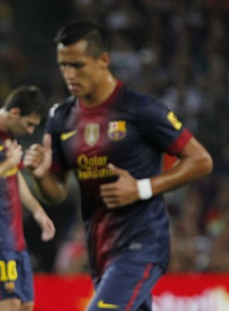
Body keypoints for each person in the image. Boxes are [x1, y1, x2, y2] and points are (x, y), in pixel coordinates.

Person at [24, 20, 213, 311]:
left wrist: (142, 187)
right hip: (99, 249)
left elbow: (201, 160)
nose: (69, 75)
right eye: (63, 65)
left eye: (77, 65)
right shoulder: (60, 117)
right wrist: (40, 176)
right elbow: (56, 193)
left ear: (104, 60)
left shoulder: (141, 109)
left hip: (141, 246)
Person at [0, 85, 56, 311]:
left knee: (26, 304)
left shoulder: (10, 138)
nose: (29, 131)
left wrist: (38, 211)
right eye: (29, 124)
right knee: (9, 303)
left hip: (15, 237)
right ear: (15, 112)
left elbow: (13, 177)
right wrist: (8, 162)